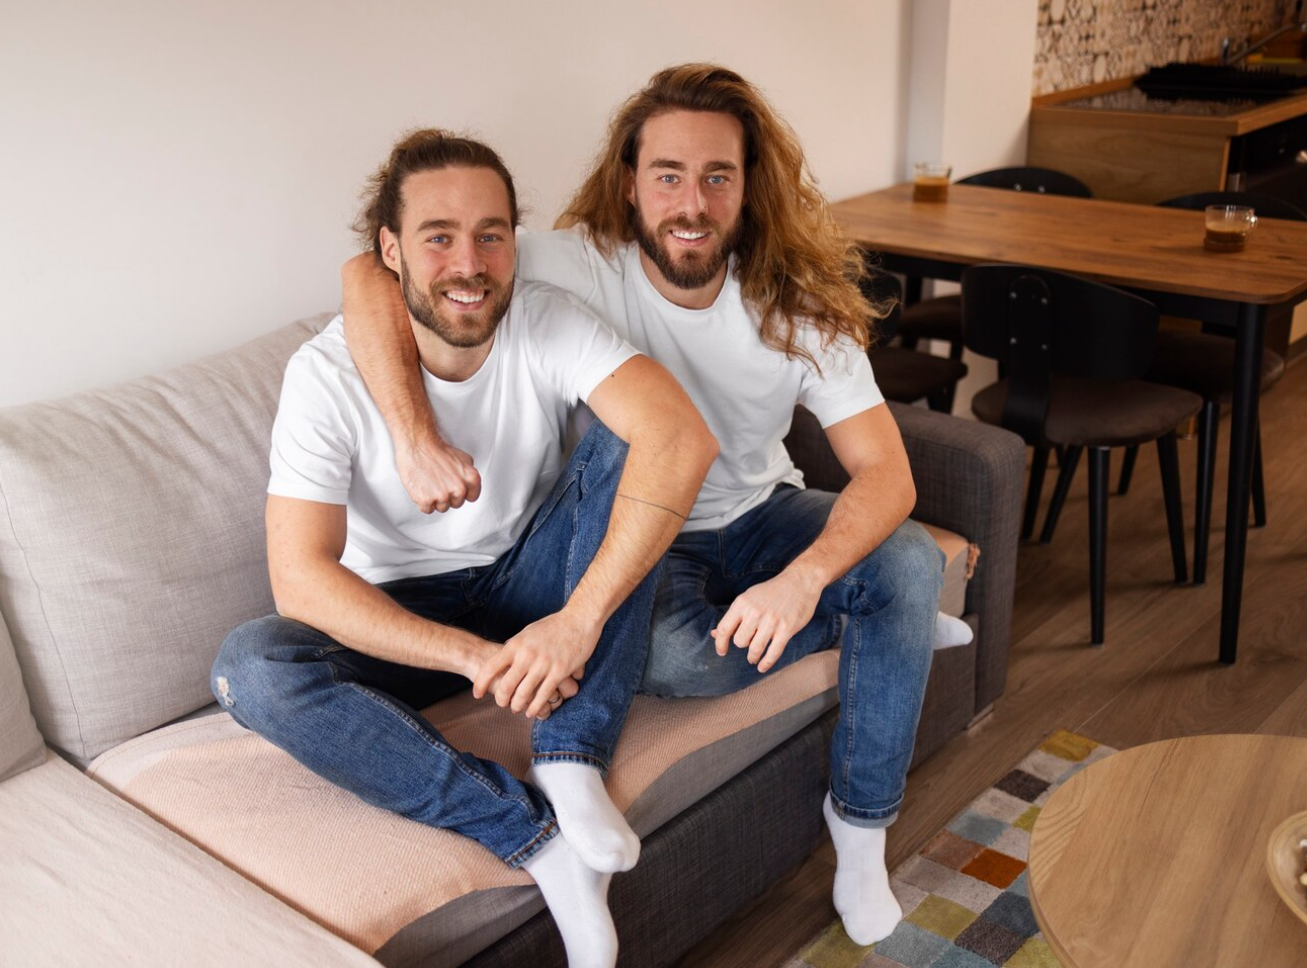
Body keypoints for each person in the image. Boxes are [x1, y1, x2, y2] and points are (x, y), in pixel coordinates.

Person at [339, 66, 959, 946]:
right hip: (644, 535)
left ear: (752, 186)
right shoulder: (575, 262)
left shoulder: (798, 298)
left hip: (765, 514)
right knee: (676, 662)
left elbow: (887, 477)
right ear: (630, 183)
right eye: (667, 175)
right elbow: (371, 272)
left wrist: (804, 579)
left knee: (903, 556)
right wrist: (409, 436)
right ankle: (880, 627)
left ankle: (860, 839)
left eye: (718, 177)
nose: (691, 203)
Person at [211, 129, 716, 968]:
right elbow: (299, 579)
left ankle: (569, 754)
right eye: (438, 236)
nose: (469, 262)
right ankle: (536, 840)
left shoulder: (547, 319)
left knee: (640, 445)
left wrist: (577, 622)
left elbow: (684, 440)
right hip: (399, 619)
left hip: (530, 580)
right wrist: (476, 660)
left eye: (491, 233)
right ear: (390, 252)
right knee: (250, 665)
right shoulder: (326, 375)